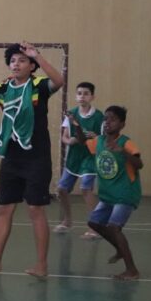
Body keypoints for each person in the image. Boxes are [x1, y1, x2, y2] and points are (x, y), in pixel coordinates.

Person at [0, 42, 64, 278]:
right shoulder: (2, 88)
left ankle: (41, 265)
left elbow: (59, 81)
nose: (16, 64)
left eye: (22, 60)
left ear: (32, 66)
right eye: (13, 61)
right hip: (11, 157)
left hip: (37, 158)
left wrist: (38, 55)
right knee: (4, 209)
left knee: (35, 209)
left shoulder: (39, 86)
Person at [71, 106, 144, 280]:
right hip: (108, 194)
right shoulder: (100, 141)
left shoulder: (125, 142)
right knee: (94, 223)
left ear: (122, 124)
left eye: (112, 119)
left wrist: (123, 152)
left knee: (114, 227)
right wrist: (77, 125)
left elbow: (139, 164)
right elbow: (82, 141)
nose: (107, 122)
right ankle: (120, 249)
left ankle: (132, 270)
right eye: (105, 119)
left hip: (125, 193)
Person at [54, 82, 103, 239]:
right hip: (74, 157)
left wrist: (96, 138)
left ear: (92, 97)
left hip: (90, 157)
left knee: (86, 189)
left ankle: (95, 227)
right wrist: (70, 141)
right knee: (61, 189)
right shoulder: (71, 114)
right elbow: (64, 136)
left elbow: (104, 139)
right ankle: (67, 221)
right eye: (79, 93)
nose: (82, 96)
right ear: (76, 96)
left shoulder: (99, 117)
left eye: (86, 93)